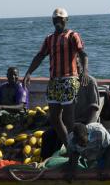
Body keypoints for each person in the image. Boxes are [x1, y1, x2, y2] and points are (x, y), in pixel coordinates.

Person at [23, 8, 88, 149]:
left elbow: (83, 54)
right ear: (52, 21)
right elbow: (40, 56)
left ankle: (78, 151)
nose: (58, 21)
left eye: (61, 19)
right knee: (54, 119)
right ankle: (69, 147)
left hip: (69, 80)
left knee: (69, 120)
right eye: (55, 19)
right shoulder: (49, 39)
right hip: (54, 81)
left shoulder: (72, 35)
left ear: (66, 20)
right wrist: (28, 73)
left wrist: (85, 72)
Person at [41, 57, 100, 159]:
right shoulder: (66, 82)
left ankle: (70, 162)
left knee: (67, 139)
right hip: (69, 122)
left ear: (81, 66)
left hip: (84, 123)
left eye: (76, 64)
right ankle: (46, 164)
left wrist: (87, 128)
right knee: (48, 136)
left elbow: (94, 108)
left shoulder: (90, 82)